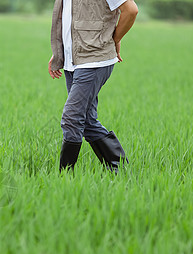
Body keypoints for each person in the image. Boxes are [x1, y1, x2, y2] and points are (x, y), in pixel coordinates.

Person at [48, 0, 138, 173]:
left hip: (95, 58)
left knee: (72, 118)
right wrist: (60, 52)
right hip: (73, 60)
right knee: (87, 121)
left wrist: (115, 38)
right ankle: (119, 170)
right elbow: (70, 18)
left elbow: (131, 11)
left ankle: (64, 177)